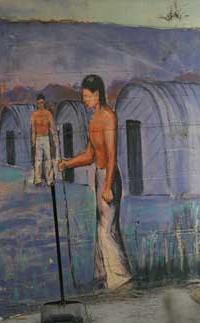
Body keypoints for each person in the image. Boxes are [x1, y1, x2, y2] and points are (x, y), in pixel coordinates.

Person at [58, 74, 132, 291]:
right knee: (103, 226)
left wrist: (108, 187)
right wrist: (68, 163)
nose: (85, 100)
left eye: (88, 96)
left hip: (109, 176)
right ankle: (102, 274)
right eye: (84, 96)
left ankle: (120, 277)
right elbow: (90, 155)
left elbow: (111, 156)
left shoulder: (109, 117)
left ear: (98, 94)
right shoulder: (93, 120)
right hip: (98, 175)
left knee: (105, 229)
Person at [31, 94, 55, 186]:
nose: (40, 105)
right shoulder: (34, 115)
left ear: (44, 103)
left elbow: (52, 127)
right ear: (37, 104)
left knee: (48, 159)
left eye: (42, 103)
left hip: (46, 138)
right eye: (39, 103)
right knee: (38, 159)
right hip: (38, 138)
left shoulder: (48, 114)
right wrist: (33, 140)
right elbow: (33, 129)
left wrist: (54, 135)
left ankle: (49, 180)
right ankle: (37, 180)